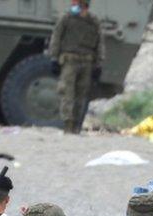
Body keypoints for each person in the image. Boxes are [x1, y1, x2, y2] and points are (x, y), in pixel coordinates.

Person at [48, 0, 105, 134]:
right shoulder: (67, 18)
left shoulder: (93, 21)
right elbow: (56, 37)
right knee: (67, 94)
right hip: (69, 61)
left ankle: (76, 126)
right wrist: (54, 58)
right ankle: (68, 126)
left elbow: (99, 43)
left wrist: (98, 63)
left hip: (87, 62)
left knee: (81, 95)